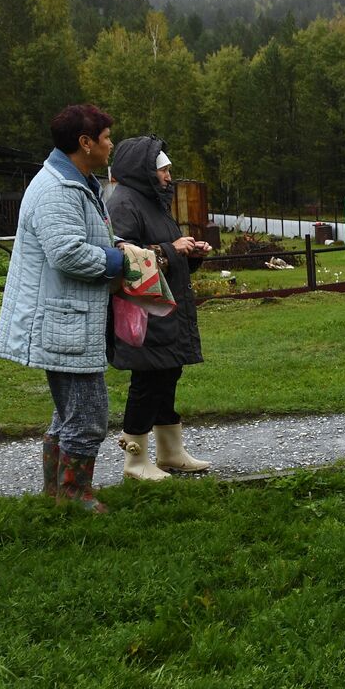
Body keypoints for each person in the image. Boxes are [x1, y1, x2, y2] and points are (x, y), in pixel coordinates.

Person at [0, 104, 125, 513]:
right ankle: (73, 496)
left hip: (70, 317)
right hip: (63, 319)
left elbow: (90, 234)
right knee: (87, 414)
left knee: (70, 411)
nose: (110, 144)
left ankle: (57, 494)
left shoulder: (79, 181)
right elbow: (67, 253)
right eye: (106, 138)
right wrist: (123, 263)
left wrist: (118, 246)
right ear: (85, 143)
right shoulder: (55, 189)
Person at [106, 135, 212, 481]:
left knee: (168, 374)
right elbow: (124, 257)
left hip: (166, 309)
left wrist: (190, 254)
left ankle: (170, 453)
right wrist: (170, 246)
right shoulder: (124, 203)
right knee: (148, 380)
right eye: (163, 170)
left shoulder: (153, 202)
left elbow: (165, 257)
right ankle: (135, 460)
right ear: (144, 172)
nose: (169, 176)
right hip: (144, 314)